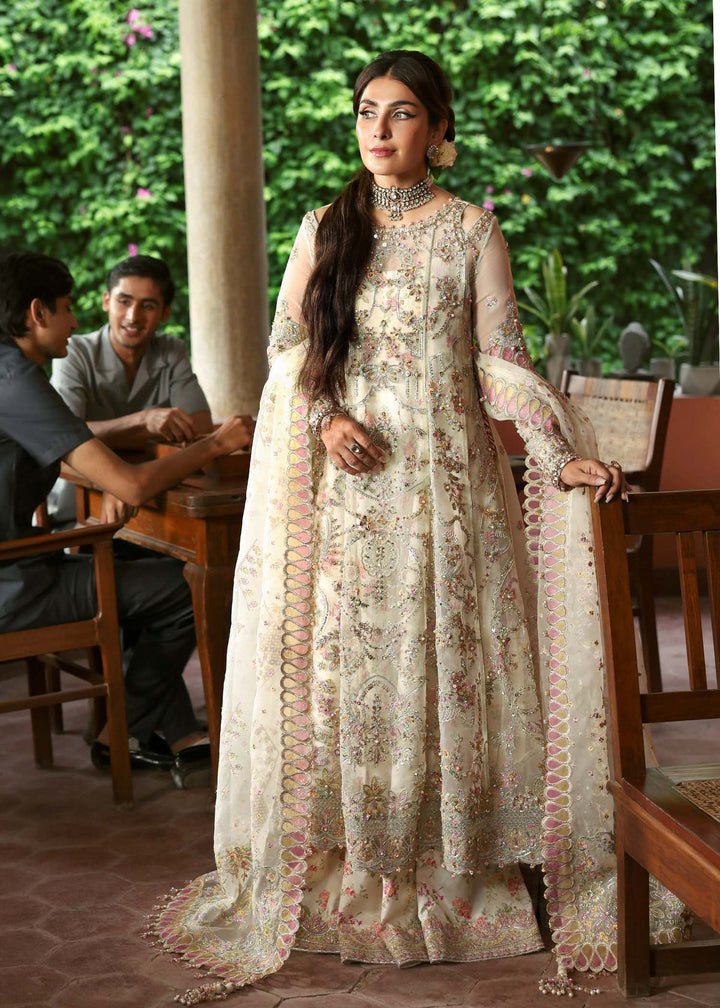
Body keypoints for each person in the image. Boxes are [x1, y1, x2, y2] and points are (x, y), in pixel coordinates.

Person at [151, 51, 684, 1001]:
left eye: (402, 114)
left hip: (449, 500)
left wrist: (555, 451)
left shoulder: (472, 230)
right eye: (367, 111)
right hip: (351, 505)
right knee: (350, 678)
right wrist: (328, 419)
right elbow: (289, 347)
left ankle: (460, 877)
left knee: (447, 669)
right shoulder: (326, 227)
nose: (379, 129)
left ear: (439, 131)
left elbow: (500, 361)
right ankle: (352, 871)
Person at [0, 251, 254, 782]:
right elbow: (133, 485)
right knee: (184, 588)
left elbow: (79, 457)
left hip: (26, 559)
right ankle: (124, 730)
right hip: (15, 582)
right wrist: (216, 444)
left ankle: (147, 727)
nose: (74, 320)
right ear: (37, 312)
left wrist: (114, 481)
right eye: (67, 307)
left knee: (141, 570)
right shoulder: (16, 379)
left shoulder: (12, 372)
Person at [49, 254, 212, 525]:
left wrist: (104, 446)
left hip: (155, 496)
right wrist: (144, 421)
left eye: (148, 305)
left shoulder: (171, 350)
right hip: (76, 509)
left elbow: (200, 426)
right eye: (124, 301)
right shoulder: (74, 352)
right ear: (106, 301)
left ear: (165, 312)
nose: (133, 316)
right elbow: (62, 438)